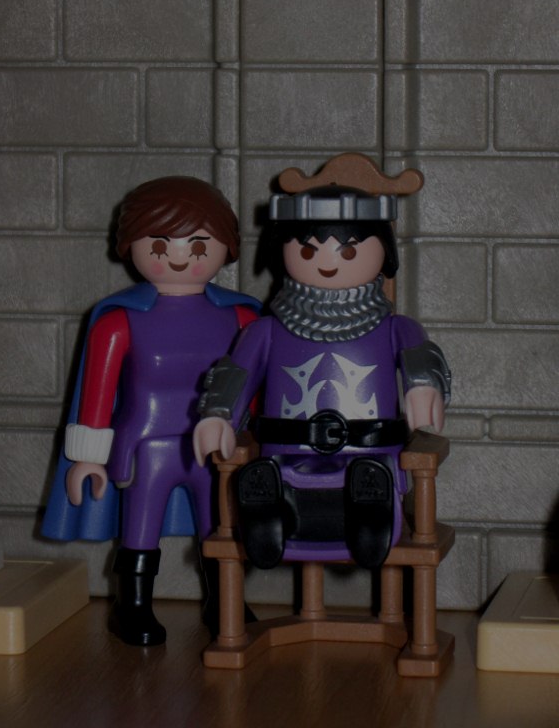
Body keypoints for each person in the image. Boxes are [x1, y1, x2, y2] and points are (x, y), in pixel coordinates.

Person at [42, 176, 259, 645]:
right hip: (145, 447)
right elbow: (96, 396)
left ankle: (224, 600)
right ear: (131, 246)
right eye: (159, 244)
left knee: (220, 526)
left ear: (225, 246)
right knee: (140, 529)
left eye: (198, 244)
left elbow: (257, 387)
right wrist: (87, 457)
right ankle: (132, 605)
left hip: (215, 448)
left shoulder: (242, 318)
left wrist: (260, 442)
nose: (179, 256)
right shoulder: (119, 322)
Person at [193, 181, 450, 571]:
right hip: (286, 450)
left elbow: (422, 357)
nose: (327, 262)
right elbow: (236, 373)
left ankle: (372, 517)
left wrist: (423, 386)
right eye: (308, 250)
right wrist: (218, 414)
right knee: (279, 481)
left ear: (384, 251)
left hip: (369, 450)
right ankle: (269, 513)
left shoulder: (395, 328)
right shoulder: (267, 331)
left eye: (348, 250)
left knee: (370, 482)